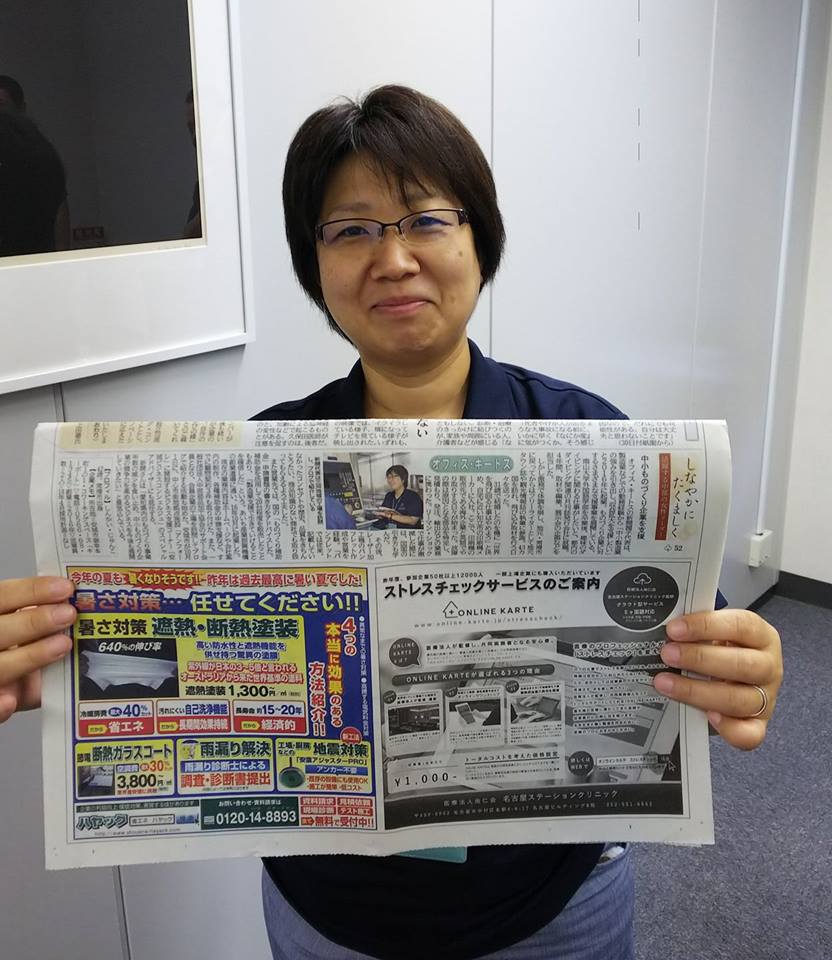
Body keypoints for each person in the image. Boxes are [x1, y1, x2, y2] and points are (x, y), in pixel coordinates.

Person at [0, 85, 784, 960]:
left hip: (552, 906)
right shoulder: (254, 463)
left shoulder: (590, 441)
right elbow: (164, 659)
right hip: (331, 915)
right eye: (351, 230)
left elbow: (698, 646)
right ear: (316, 266)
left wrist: (743, 670)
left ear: (480, 240)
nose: (395, 258)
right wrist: (65, 666)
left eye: (426, 220)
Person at [0, 75, 70, 253]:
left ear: (20, 108)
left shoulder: (37, 157)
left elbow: (58, 210)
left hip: (31, 256)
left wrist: (61, 259)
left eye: (1, 105)